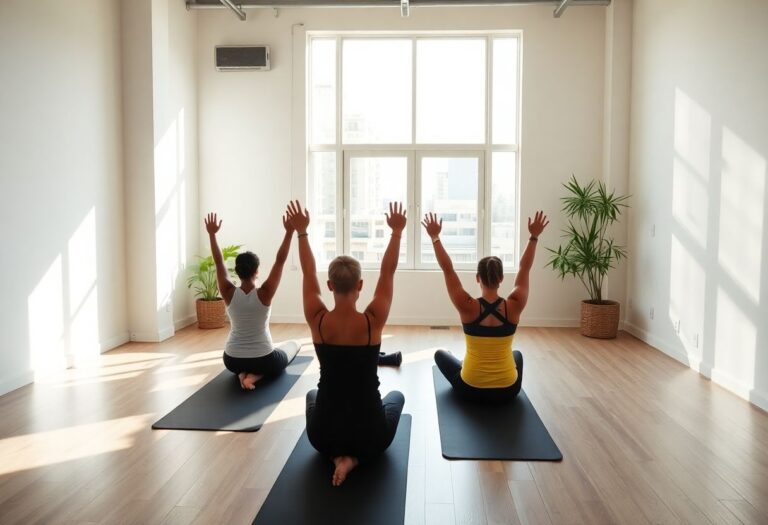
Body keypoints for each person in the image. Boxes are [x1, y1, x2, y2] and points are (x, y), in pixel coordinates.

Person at [285, 200, 406, 487]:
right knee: (397, 397)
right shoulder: (372, 322)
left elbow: (308, 273)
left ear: (330, 286)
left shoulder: (317, 319)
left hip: (322, 437)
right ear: (360, 285)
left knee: (312, 394)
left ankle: (338, 457)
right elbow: (387, 273)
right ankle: (354, 459)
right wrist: (396, 232)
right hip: (371, 438)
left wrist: (302, 232)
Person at [422, 210, 549, 403]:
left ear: (477, 278)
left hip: (470, 389)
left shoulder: (467, 306)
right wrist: (534, 236)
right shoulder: (514, 305)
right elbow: (525, 268)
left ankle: (472, 368)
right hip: (508, 391)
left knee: (440, 355)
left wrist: (435, 237)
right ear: (501, 278)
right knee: (517, 355)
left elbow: (448, 269)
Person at [204, 212, 300, 390]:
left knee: (247, 363)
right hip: (264, 359)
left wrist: (212, 234)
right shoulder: (265, 293)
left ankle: (243, 374)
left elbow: (218, 262)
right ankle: (254, 376)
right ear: (257, 271)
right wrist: (289, 232)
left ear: (237, 271)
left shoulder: (228, 292)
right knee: (294, 346)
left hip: (232, 360)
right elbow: (280, 261)